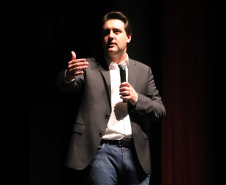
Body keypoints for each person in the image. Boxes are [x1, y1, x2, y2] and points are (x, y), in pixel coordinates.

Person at [56, 11, 166, 185]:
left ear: (128, 37)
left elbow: (160, 111)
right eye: (106, 32)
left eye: (116, 31)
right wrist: (68, 76)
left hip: (136, 154)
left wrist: (137, 99)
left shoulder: (144, 71)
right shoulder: (88, 66)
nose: (111, 36)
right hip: (101, 152)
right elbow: (66, 86)